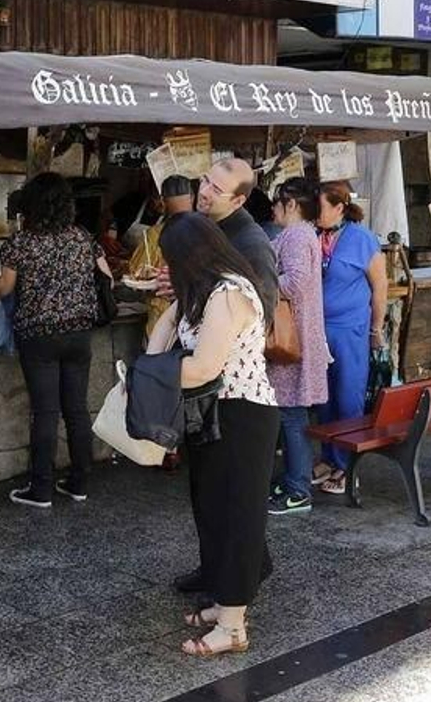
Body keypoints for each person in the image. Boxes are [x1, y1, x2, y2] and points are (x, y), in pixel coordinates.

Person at [148, 213, 279, 657]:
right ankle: (225, 603)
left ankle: (233, 626)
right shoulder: (202, 292)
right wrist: (153, 363)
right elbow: (164, 330)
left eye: (172, 261)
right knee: (213, 513)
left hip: (242, 416)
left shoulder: (227, 295)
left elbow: (205, 367)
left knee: (237, 517)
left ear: (191, 258)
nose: (168, 270)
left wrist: (151, 376)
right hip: (210, 415)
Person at [0, 172, 107, 508]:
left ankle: (41, 489)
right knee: (76, 409)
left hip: (39, 335)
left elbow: (4, 288)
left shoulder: (21, 242)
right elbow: (106, 275)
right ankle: (79, 483)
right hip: (79, 333)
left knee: (45, 411)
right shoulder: (82, 237)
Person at [312, 181, 388, 496]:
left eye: (319, 208)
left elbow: (380, 287)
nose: (314, 213)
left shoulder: (362, 239)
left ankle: (348, 467)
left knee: (347, 397)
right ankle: (329, 457)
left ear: (339, 208)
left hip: (350, 330)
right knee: (323, 398)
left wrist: (376, 329)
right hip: (317, 330)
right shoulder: (313, 235)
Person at [265, 178, 329, 516]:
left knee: (291, 415)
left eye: (277, 201)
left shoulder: (296, 235)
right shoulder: (305, 234)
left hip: (291, 337)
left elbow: (294, 282)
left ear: (291, 204)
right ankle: (293, 480)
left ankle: (299, 489)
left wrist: (260, 282)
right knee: (292, 414)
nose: (273, 208)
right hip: (300, 335)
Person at [194, 158, 280, 325]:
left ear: (238, 201)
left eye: (216, 190)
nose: (204, 191)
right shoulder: (201, 224)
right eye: (205, 180)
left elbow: (264, 312)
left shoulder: (253, 246)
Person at [126, 175, 194, 338]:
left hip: (162, 316)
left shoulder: (154, 235)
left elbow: (136, 273)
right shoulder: (209, 231)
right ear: (192, 197)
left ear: (163, 202)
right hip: (196, 316)